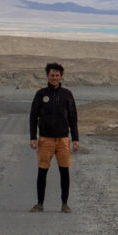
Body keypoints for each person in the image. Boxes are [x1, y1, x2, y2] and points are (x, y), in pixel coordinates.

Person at [28, 62, 79, 213]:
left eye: (57, 75)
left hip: (63, 140)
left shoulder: (67, 94)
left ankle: (65, 204)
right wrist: (33, 137)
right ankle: (39, 204)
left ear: (61, 76)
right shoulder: (41, 94)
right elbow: (33, 117)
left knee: (64, 171)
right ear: (47, 76)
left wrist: (75, 138)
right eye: (52, 75)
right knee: (42, 171)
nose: (54, 77)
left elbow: (73, 118)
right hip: (46, 139)